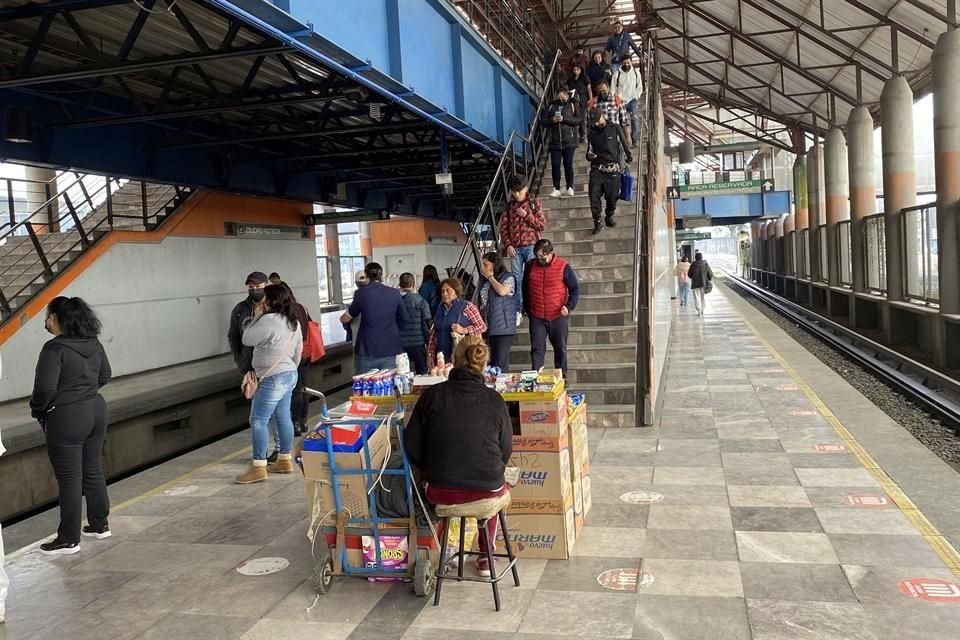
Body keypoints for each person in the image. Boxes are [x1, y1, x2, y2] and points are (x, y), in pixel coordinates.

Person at [404, 336, 512, 577]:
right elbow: (505, 451)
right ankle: (485, 557)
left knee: (445, 492)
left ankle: (446, 550)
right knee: (497, 485)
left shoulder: (432, 396)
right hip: (487, 488)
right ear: (483, 363)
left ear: (454, 360)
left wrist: (429, 470)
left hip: (440, 491)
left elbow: (411, 444)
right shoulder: (495, 400)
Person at [29, 297, 112, 555]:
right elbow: (105, 375)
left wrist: (38, 409)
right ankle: (99, 524)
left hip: (66, 418)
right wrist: (84, 393)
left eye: (48, 316)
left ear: (58, 318)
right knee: (93, 470)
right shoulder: (94, 343)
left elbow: (44, 389)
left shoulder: (54, 349)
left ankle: (68, 539)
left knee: (69, 480)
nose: (45, 322)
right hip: (96, 411)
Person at [236, 284, 303, 483]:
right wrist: (290, 369)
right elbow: (298, 350)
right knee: (283, 416)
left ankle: (258, 467)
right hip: (289, 373)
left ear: (271, 300)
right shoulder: (293, 321)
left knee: (258, 420)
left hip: (273, 377)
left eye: (264, 298)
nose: (261, 301)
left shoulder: (269, 320)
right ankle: (284, 460)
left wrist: (256, 315)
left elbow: (247, 338)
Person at [522, 239, 580, 375]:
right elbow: (524, 288)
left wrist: (569, 306)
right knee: (537, 349)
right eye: (537, 256)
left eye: (542, 256)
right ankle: (535, 376)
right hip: (537, 316)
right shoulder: (530, 265)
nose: (539, 259)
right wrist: (527, 308)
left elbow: (575, 289)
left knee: (560, 348)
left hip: (558, 315)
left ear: (550, 253)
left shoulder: (563, 266)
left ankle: (562, 377)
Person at [340, 262, 408, 373]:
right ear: (381, 275)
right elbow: (404, 318)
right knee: (388, 386)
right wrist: (392, 329)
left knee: (366, 387)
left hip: (367, 349)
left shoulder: (361, 293)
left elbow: (349, 316)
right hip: (391, 348)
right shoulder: (395, 293)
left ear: (366, 275)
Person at [498, 176, 546, 307]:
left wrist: (526, 215)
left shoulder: (534, 204)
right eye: (513, 191)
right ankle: (519, 307)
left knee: (531, 277)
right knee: (516, 279)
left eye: (519, 190)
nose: (516, 194)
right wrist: (507, 245)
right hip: (515, 249)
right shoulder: (508, 207)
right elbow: (503, 228)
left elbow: (542, 225)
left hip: (531, 246)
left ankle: (532, 305)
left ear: (526, 189)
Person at [586, 107, 633, 235]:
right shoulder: (591, 133)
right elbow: (588, 151)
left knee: (612, 197)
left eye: (597, 120)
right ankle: (597, 222)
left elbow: (624, 143)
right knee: (594, 197)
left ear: (602, 116)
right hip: (597, 169)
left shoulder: (615, 128)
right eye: (593, 122)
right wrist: (589, 155)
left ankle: (609, 215)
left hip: (612, 169)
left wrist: (629, 157)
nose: (595, 123)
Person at [428, 278, 487, 368]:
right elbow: (434, 334)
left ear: (456, 291)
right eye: (442, 291)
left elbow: (482, 327)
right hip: (442, 358)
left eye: (448, 290)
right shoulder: (439, 309)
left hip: (463, 357)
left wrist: (465, 330)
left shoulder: (467, 306)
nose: (444, 294)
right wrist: (430, 354)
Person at [478, 252, 521, 371]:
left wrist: (490, 277)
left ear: (494, 264)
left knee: (501, 361)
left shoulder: (508, 277)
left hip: (503, 326)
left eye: (486, 264)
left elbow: (502, 291)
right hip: (489, 324)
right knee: (491, 362)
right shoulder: (484, 281)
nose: (483, 267)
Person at [280, 282, 312, 435]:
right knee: (304, 388)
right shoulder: (302, 308)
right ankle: (304, 421)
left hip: (294, 355)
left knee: (296, 390)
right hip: (306, 352)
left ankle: (295, 423)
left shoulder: (285, 313)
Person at [541, 88, 582, 198]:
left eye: (563, 97)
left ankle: (570, 187)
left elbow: (579, 120)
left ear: (567, 96)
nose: (561, 99)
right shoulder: (551, 106)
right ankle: (556, 188)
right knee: (555, 165)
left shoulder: (572, 105)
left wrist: (564, 119)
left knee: (568, 163)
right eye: (559, 97)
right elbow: (543, 121)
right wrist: (552, 120)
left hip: (569, 141)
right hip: (555, 141)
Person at [399, 272, 432, 374]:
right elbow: (426, 324)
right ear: (414, 285)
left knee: (403, 373)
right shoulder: (421, 301)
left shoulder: (396, 302)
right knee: (421, 372)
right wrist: (429, 342)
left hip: (401, 345)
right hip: (418, 343)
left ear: (400, 285)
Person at [611, 56, 643, 146]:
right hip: (620, 101)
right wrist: (615, 99)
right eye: (624, 63)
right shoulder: (617, 74)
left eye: (628, 62)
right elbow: (613, 89)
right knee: (622, 122)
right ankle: (624, 140)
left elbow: (639, 87)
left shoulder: (636, 73)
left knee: (634, 119)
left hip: (632, 99)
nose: (626, 64)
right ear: (621, 63)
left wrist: (636, 96)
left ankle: (635, 139)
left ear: (631, 62)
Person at [566, 64, 591, 143]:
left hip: (583, 98)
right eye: (574, 70)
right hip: (573, 99)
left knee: (582, 117)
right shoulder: (571, 79)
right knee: (575, 116)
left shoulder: (585, 77)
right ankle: (575, 136)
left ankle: (583, 135)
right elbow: (567, 88)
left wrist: (590, 99)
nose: (576, 71)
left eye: (577, 69)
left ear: (581, 70)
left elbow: (589, 88)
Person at [689, 251, 715, 317]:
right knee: (702, 297)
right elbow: (710, 274)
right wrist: (709, 279)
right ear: (701, 257)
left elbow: (689, 274)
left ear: (695, 258)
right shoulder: (705, 264)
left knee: (697, 297)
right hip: (703, 283)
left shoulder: (693, 265)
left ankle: (699, 311)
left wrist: (693, 276)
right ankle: (703, 309)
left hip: (695, 284)